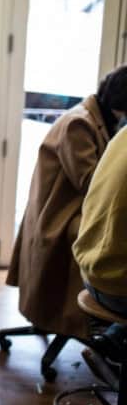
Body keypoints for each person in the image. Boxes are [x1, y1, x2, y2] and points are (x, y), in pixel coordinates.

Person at [7, 65, 127, 339]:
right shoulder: (80, 123)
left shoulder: (91, 117)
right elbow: (91, 183)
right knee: (105, 241)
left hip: (66, 211)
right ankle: (101, 333)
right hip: (59, 219)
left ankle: (106, 333)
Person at [73, 123, 127, 318]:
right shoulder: (77, 125)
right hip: (117, 288)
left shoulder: (123, 132)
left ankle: (114, 337)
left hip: (93, 272)